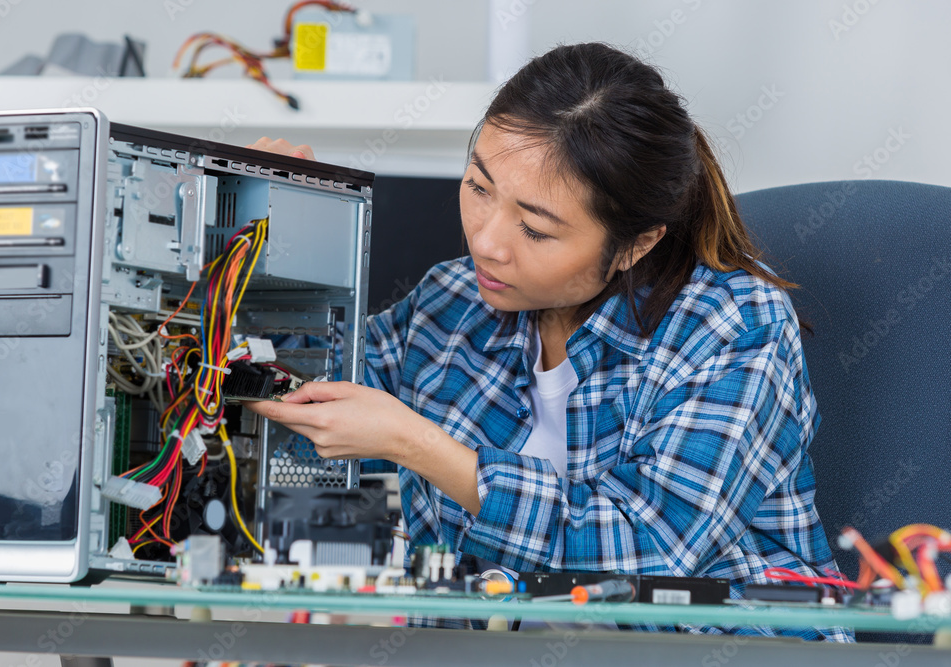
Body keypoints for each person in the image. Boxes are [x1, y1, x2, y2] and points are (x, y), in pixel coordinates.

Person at [246, 42, 851, 641]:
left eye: (535, 229)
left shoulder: (735, 326)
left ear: (636, 243)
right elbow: (304, 398)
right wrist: (263, 247)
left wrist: (419, 445)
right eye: (480, 188)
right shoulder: (452, 302)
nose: (487, 242)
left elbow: (651, 553)